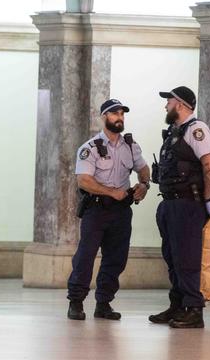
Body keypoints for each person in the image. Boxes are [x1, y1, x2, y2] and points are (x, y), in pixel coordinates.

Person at [67, 99, 150, 321]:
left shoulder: (130, 146)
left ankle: (103, 303)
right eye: (114, 113)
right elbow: (83, 181)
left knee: (116, 259)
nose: (120, 117)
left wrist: (144, 186)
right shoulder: (90, 148)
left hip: (121, 212)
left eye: (122, 113)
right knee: (85, 257)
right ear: (104, 117)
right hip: (96, 210)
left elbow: (143, 169)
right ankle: (76, 302)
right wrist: (111, 192)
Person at [149, 86, 210, 329]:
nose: (166, 105)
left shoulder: (197, 130)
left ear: (180, 104)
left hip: (188, 204)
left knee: (187, 257)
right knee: (172, 257)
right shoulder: (173, 133)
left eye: (168, 101)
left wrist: (207, 200)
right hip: (169, 204)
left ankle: (194, 309)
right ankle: (177, 305)